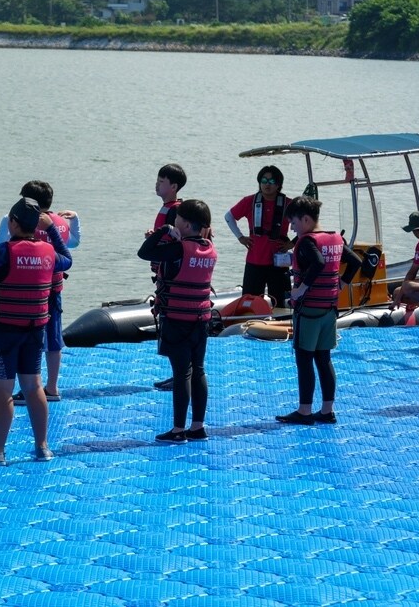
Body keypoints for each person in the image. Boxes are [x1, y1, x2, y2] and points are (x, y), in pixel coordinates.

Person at [0, 197, 72, 465]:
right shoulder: (48, 252)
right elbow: (67, 260)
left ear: (12, 223)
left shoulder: (5, 252)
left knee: (2, 391)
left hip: (5, 333)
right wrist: (51, 231)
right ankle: (42, 446)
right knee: (34, 385)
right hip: (34, 330)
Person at [275, 196, 362, 426]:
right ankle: (327, 410)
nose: (292, 227)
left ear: (305, 219)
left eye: (293, 222)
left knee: (304, 359)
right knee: (324, 359)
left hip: (310, 311)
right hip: (329, 310)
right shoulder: (335, 238)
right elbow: (355, 262)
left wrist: (300, 290)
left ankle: (304, 411)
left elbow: (318, 262)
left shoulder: (306, 242)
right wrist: (342, 284)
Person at [137, 199, 217, 443]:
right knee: (198, 369)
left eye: (178, 219)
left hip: (177, 319)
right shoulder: (210, 248)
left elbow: (144, 252)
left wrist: (162, 232)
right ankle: (198, 426)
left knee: (182, 373)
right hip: (201, 319)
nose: (174, 222)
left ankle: (178, 430)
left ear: (186, 223)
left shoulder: (179, 249)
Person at [0, 181, 79, 404]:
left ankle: (32, 388)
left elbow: (4, 248)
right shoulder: (60, 223)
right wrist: (76, 219)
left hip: (32, 292)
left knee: (33, 341)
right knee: (54, 338)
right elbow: (74, 243)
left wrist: (6, 222)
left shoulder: (28, 224)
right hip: (55, 288)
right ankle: (52, 387)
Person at [224, 165, 292, 307]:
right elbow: (229, 217)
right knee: (249, 303)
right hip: (255, 262)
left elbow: (308, 224)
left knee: (281, 303)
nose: (267, 184)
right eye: (264, 180)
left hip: (278, 263)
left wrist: (292, 244)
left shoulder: (289, 204)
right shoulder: (249, 201)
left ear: (278, 185)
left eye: (272, 181)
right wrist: (240, 237)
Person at [148, 163, 185, 392]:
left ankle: (180, 374)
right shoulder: (167, 209)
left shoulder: (175, 211)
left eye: (162, 181)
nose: (157, 184)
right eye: (158, 180)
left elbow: (177, 241)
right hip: (162, 273)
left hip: (170, 275)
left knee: (172, 324)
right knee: (167, 324)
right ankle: (177, 373)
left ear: (174, 186)